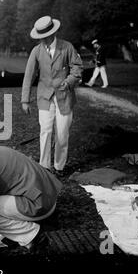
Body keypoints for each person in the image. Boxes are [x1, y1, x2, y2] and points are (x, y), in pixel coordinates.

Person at [21, 16, 83, 177]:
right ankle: (45, 167)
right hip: (44, 97)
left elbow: (77, 68)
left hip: (64, 96)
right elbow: (29, 76)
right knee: (46, 131)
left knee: (62, 133)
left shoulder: (67, 47)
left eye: (46, 36)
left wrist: (69, 82)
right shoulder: (36, 51)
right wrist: (25, 100)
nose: (43, 39)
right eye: (41, 37)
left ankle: (59, 166)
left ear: (52, 33)